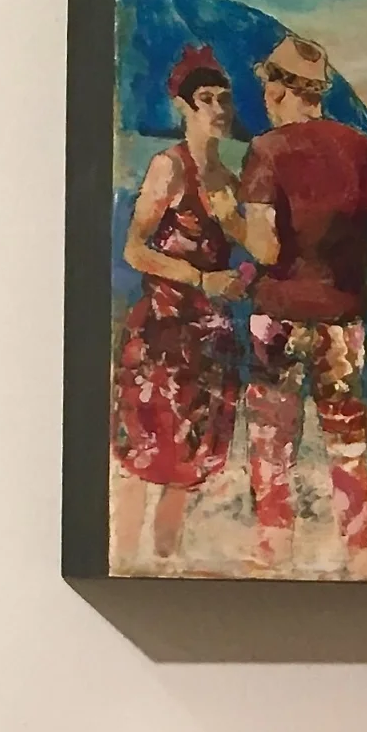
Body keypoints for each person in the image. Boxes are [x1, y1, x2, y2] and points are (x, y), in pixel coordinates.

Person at [237, 34, 367, 569]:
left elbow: (266, 249)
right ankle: (360, 550)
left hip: (279, 315)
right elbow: (361, 230)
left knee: (272, 442)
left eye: (267, 86)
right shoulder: (359, 149)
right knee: (347, 441)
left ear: (279, 88)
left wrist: (231, 216)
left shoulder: (266, 150)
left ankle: (275, 549)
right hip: (342, 318)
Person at [111, 45, 245, 567]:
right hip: (162, 333)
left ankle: (165, 566)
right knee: (142, 459)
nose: (218, 108)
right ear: (183, 107)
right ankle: (123, 562)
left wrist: (240, 279)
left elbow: (251, 249)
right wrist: (200, 277)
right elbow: (134, 249)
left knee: (187, 465)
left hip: (210, 342)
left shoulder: (229, 182)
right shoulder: (168, 168)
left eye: (224, 99)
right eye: (206, 98)